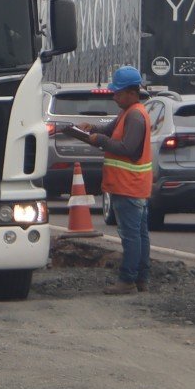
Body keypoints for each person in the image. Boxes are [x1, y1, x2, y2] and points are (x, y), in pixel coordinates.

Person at [63, 65, 152, 294]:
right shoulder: (128, 113)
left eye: (118, 93)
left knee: (131, 236)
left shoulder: (135, 116)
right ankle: (140, 279)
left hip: (129, 186)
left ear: (132, 92)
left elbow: (128, 148)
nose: (114, 96)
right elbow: (110, 130)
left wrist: (99, 139)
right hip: (132, 185)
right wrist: (91, 128)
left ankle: (128, 280)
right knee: (139, 235)